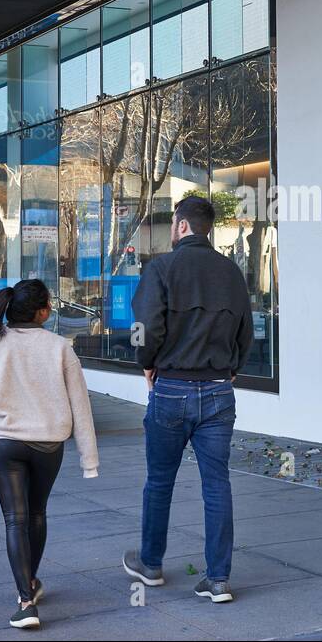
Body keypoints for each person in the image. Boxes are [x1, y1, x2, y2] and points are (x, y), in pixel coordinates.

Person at [122, 195, 253, 603]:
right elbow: (245, 332)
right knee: (217, 484)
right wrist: (230, 369)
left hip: (171, 388)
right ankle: (217, 580)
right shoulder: (231, 272)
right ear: (208, 228)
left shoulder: (160, 267)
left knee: (160, 481)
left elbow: (143, 327)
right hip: (218, 390)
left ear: (180, 226)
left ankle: (152, 565)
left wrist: (146, 363)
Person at [0, 278, 99, 629]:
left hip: (5, 445)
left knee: (15, 520)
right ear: (43, 312)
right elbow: (81, 405)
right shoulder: (60, 347)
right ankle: (31, 582)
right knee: (36, 513)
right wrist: (89, 459)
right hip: (50, 445)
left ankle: (25, 600)